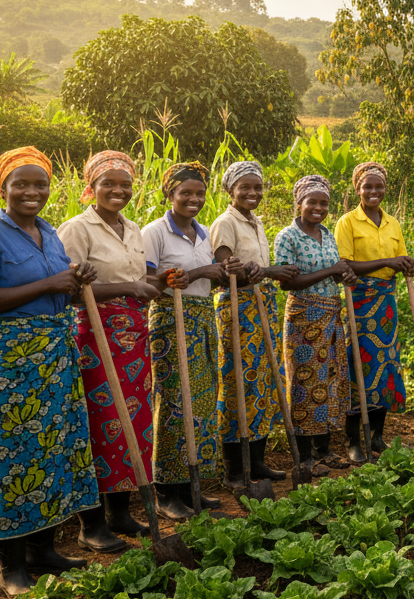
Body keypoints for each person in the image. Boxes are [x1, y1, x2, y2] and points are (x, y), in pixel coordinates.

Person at [0, 147, 99, 595]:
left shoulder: (51, 235)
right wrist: (49, 283)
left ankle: (44, 551)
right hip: (10, 357)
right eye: (21, 183)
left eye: (40, 184)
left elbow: (63, 289)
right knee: (12, 453)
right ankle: (11, 568)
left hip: (56, 352)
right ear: (3, 188)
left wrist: (77, 278)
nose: (31, 192)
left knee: (54, 447)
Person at [59, 151, 161, 542]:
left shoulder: (133, 229)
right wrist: (127, 287)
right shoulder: (77, 229)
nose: (118, 191)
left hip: (135, 336)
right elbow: (68, 289)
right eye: (109, 184)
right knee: (100, 425)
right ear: (92, 187)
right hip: (96, 338)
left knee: (132, 424)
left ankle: (120, 514)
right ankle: (92, 526)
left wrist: (157, 281)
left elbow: (141, 278)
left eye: (125, 185)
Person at [142, 163, 238, 520]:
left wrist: (222, 274)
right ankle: (166, 492)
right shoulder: (155, 232)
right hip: (170, 320)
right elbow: (149, 282)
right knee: (172, 403)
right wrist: (200, 272)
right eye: (186, 193)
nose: (194, 199)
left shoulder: (204, 233)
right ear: (170, 194)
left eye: (199, 193)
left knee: (198, 403)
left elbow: (208, 280)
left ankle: (190, 486)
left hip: (202, 318)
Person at [210, 161, 298, 487]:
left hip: (262, 305)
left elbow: (256, 267)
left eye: (257, 187)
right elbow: (227, 269)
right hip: (237, 307)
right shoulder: (225, 223)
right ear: (230, 190)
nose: (252, 193)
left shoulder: (256, 222)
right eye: (245, 187)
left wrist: (266, 273)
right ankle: (235, 469)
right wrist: (274, 272)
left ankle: (257, 462)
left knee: (262, 383)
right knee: (238, 384)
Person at [274, 175, 357, 474]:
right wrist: (332, 271)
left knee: (328, 382)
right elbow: (288, 283)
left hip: (331, 316)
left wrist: (343, 275)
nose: (319, 208)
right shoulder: (288, 236)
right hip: (303, 317)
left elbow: (333, 270)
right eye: (313, 202)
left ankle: (324, 451)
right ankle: (305, 456)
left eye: (324, 203)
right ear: (299, 204)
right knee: (304, 383)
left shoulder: (327, 234)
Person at [335, 161, 414, 463]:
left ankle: (378, 436)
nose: (373, 191)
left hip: (387, 303)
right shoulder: (347, 222)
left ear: (385, 189)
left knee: (387, 366)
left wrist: (406, 264)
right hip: (359, 301)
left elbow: (400, 258)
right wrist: (388, 263)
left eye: (378, 186)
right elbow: (346, 265)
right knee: (359, 366)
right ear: (357, 189)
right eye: (367, 186)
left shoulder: (392, 223)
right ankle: (354, 440)